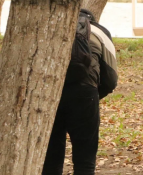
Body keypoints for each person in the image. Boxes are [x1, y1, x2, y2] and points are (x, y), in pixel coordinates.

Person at [42, 9, 118, 175]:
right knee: (85, 158)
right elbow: (111, 79)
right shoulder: (100, 32)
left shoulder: (52, 27)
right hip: (85, 93)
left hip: (51, 94)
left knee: (51, 156)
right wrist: (95, 95)